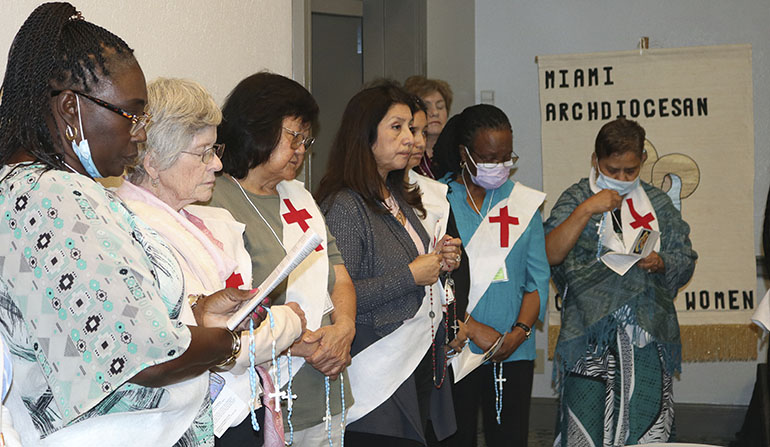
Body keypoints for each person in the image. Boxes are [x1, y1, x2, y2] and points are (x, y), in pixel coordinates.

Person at [0, 4, 262, 445]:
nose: (140, 134)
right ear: (70, 108)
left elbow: (91, 324)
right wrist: (225, 344)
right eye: (132, 114)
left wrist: (194, 313)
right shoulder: (55, 196)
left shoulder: (23, 187)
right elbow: (145, 361)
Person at [116, 77, 307, 446]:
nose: (217, 164)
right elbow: (214, 341)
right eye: (203, 152)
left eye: (215, 148)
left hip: (234, 410)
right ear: (154, 162)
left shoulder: (203, 220)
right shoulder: (137, 231)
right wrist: (289, 322)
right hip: (190, 422)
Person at [208, 72, 356, 447]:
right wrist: (296, 343)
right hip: (263, 399)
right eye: (294, 137)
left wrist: (344, 330)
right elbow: (220, 307)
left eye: (307, 140)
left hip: (326, 389)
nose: (302, 149)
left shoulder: (300, 199)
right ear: (255, 127)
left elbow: (338, 276)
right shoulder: (213, 199)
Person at [316, 82, 462, 446]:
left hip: (415, 359)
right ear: (365, 136)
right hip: (375, 366)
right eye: (396, 128)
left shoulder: (397, 195)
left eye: (412, 129)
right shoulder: (345, 206)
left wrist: (440, 259)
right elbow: (338, 296)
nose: (411, 139)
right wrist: (411, 276)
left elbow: (415, 265)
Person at [544, 118, 697, 446]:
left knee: (644, 422)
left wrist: (662, 262)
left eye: (630, 170)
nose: (622, 178)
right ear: (595, 161)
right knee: (588, 425)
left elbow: (685, 257)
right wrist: (586, 209)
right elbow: (551, 252)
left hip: (646, 333)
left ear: (642, 159)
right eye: (613, 170)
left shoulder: (658, 203)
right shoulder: (577, 197)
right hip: (590, 334)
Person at [430, 104, 549, 447]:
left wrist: (519, 333)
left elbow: (537, 280)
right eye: (488, 158)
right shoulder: (436, 199)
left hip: (513, 351)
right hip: (455, 346)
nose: (499, 166)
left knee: (509, 439)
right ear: (463, 153)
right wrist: (473, 329)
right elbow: (433, 281)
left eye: (505, 157)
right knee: (455, 438)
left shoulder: (523, 202)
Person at [404, 75, 453, 179]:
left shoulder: (455, 151)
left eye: (440, 107)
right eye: (427, 107)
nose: (435, 112)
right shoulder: (404, 152)